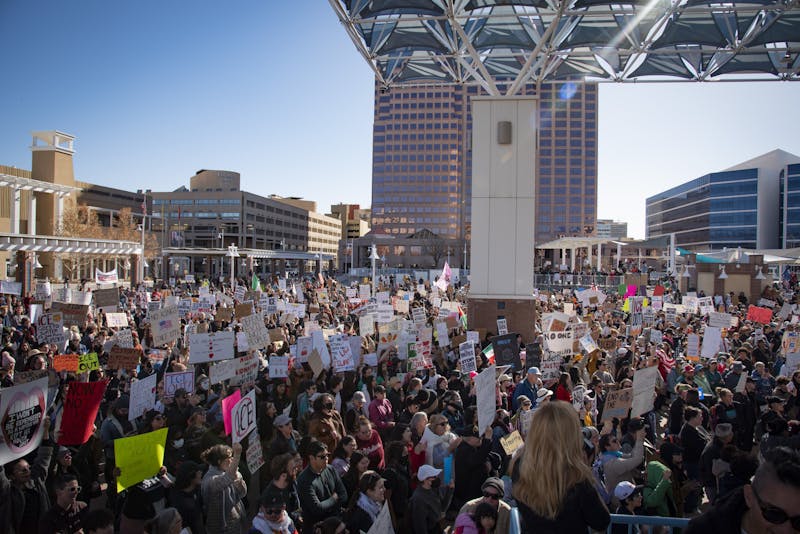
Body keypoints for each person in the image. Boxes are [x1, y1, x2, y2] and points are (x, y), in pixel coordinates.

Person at [511, 401, 610, 533]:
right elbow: (600, 521)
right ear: (570, 433)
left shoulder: (520, 465)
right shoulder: (575, 474)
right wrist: (585, 471)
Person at [686, 446, 800, 534]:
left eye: (798, 521)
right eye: (774, 514)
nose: (786, 530)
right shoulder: (701, 530)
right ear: (749, 496)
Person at [0, 416, 53, 534]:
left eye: (28, 468)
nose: (28, 472)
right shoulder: (7, 491)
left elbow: (44, 457)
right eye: (23, 470)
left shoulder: (37, 482)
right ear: (12, 476)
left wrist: (45, 431)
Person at [295, 440, 348, 534]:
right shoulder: (304, 480)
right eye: (322, 457)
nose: (326, 459)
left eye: (327, 455)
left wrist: (329, 505)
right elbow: (317, 509)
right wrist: (333, 499)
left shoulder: (330, 469)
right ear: (312, 458)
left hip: (335, 521)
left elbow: (343, 495)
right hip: (317, 527)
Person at [201, 443, 247, 534]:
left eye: (232, 457)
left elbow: (243, 493)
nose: (232, 460)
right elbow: (226, 480)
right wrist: (237, 455)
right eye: (229, 458)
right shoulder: (209, 480)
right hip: (221, 528)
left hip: (236, 523)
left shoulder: (232, 473)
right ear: (219, 461)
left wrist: (238, 481)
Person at [408, 464, 455, 534]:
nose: (437, 478)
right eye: (434, 477)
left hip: (437, 527)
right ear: (425, 479)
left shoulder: (433, 489)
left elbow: (442, 508)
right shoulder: (418, 499)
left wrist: (450, 490)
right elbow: (420, 527)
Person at [168, 460, 206, 534]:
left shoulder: (196, 489)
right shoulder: (183, 504)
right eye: (198, 472)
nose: (201, 473)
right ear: (191, 477)